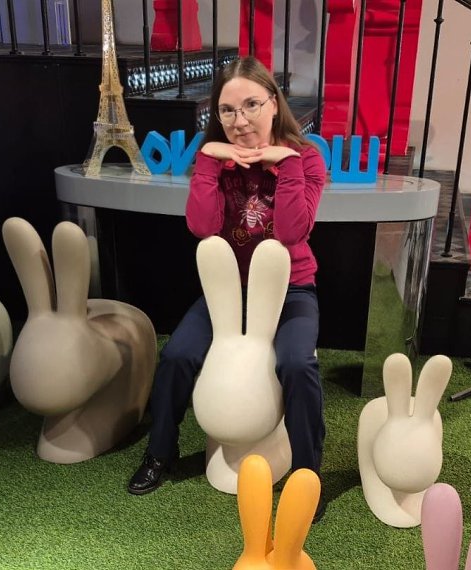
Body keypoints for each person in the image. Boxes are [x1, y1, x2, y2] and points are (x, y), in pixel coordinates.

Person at [128, 56, 327, 521]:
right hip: (227, 294)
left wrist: (287, 164)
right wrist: (208, 163)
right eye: (227, 110)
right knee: (177, 356)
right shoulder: (215, 158)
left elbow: (292, 232)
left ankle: (306, 475)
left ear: (274, 103)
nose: (240, 121)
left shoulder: (306, 158)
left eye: (251, 105)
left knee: (298, 364)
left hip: (289, 290)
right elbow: (202, 227)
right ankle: (160, 452)